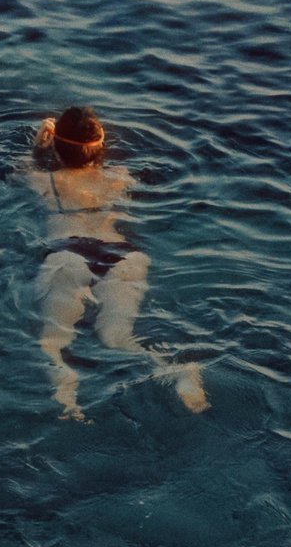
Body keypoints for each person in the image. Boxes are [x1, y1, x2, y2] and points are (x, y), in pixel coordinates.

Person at [24, 105, 206, 419]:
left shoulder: (42, 178)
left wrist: (39, 148)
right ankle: (179, 370)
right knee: (118, 337)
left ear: (57, 145)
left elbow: (21, 170)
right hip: (124, 256)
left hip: (68, 254)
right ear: (100, 146)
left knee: (52, 344)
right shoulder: (119, 176)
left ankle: (69, 400)